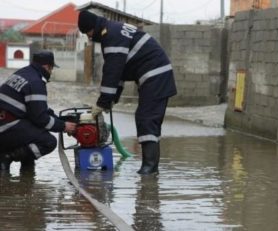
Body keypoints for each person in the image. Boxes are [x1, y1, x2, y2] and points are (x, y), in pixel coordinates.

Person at [77, 11, 177, 175]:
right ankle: (151, 168)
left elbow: (112, 71)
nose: (88, 37)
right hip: (156, 75)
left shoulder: (111, 36)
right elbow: (121, 73)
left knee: (146, 118)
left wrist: (102, 102)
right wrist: (111, 100)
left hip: (155, 75)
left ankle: (149, 169)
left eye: (87, 33)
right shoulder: (113, 30)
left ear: (92, 28)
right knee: (147, 118)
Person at [0, 51, 77, 171]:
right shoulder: (36, 82)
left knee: (33, 131)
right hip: (6, 128)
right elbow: (41, 119)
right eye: (51, 69)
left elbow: (40, 109)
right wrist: (63, 126)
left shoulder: (23, 73)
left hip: (5, 122)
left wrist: (60, 120)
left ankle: (26, 167)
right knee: (48, 141)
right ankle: (7, 156)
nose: (51, 72)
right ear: (47, 67)